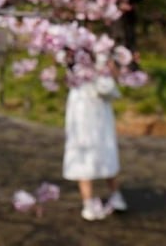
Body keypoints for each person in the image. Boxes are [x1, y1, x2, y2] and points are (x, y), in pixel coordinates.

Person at [62, 55, 125, 221]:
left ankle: (89, 203)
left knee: (84, 156)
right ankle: (111, 197)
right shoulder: (97, 62)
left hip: (81, 114)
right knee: (101, 154)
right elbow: (106, 87)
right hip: (94, 114)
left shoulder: (75, 63)